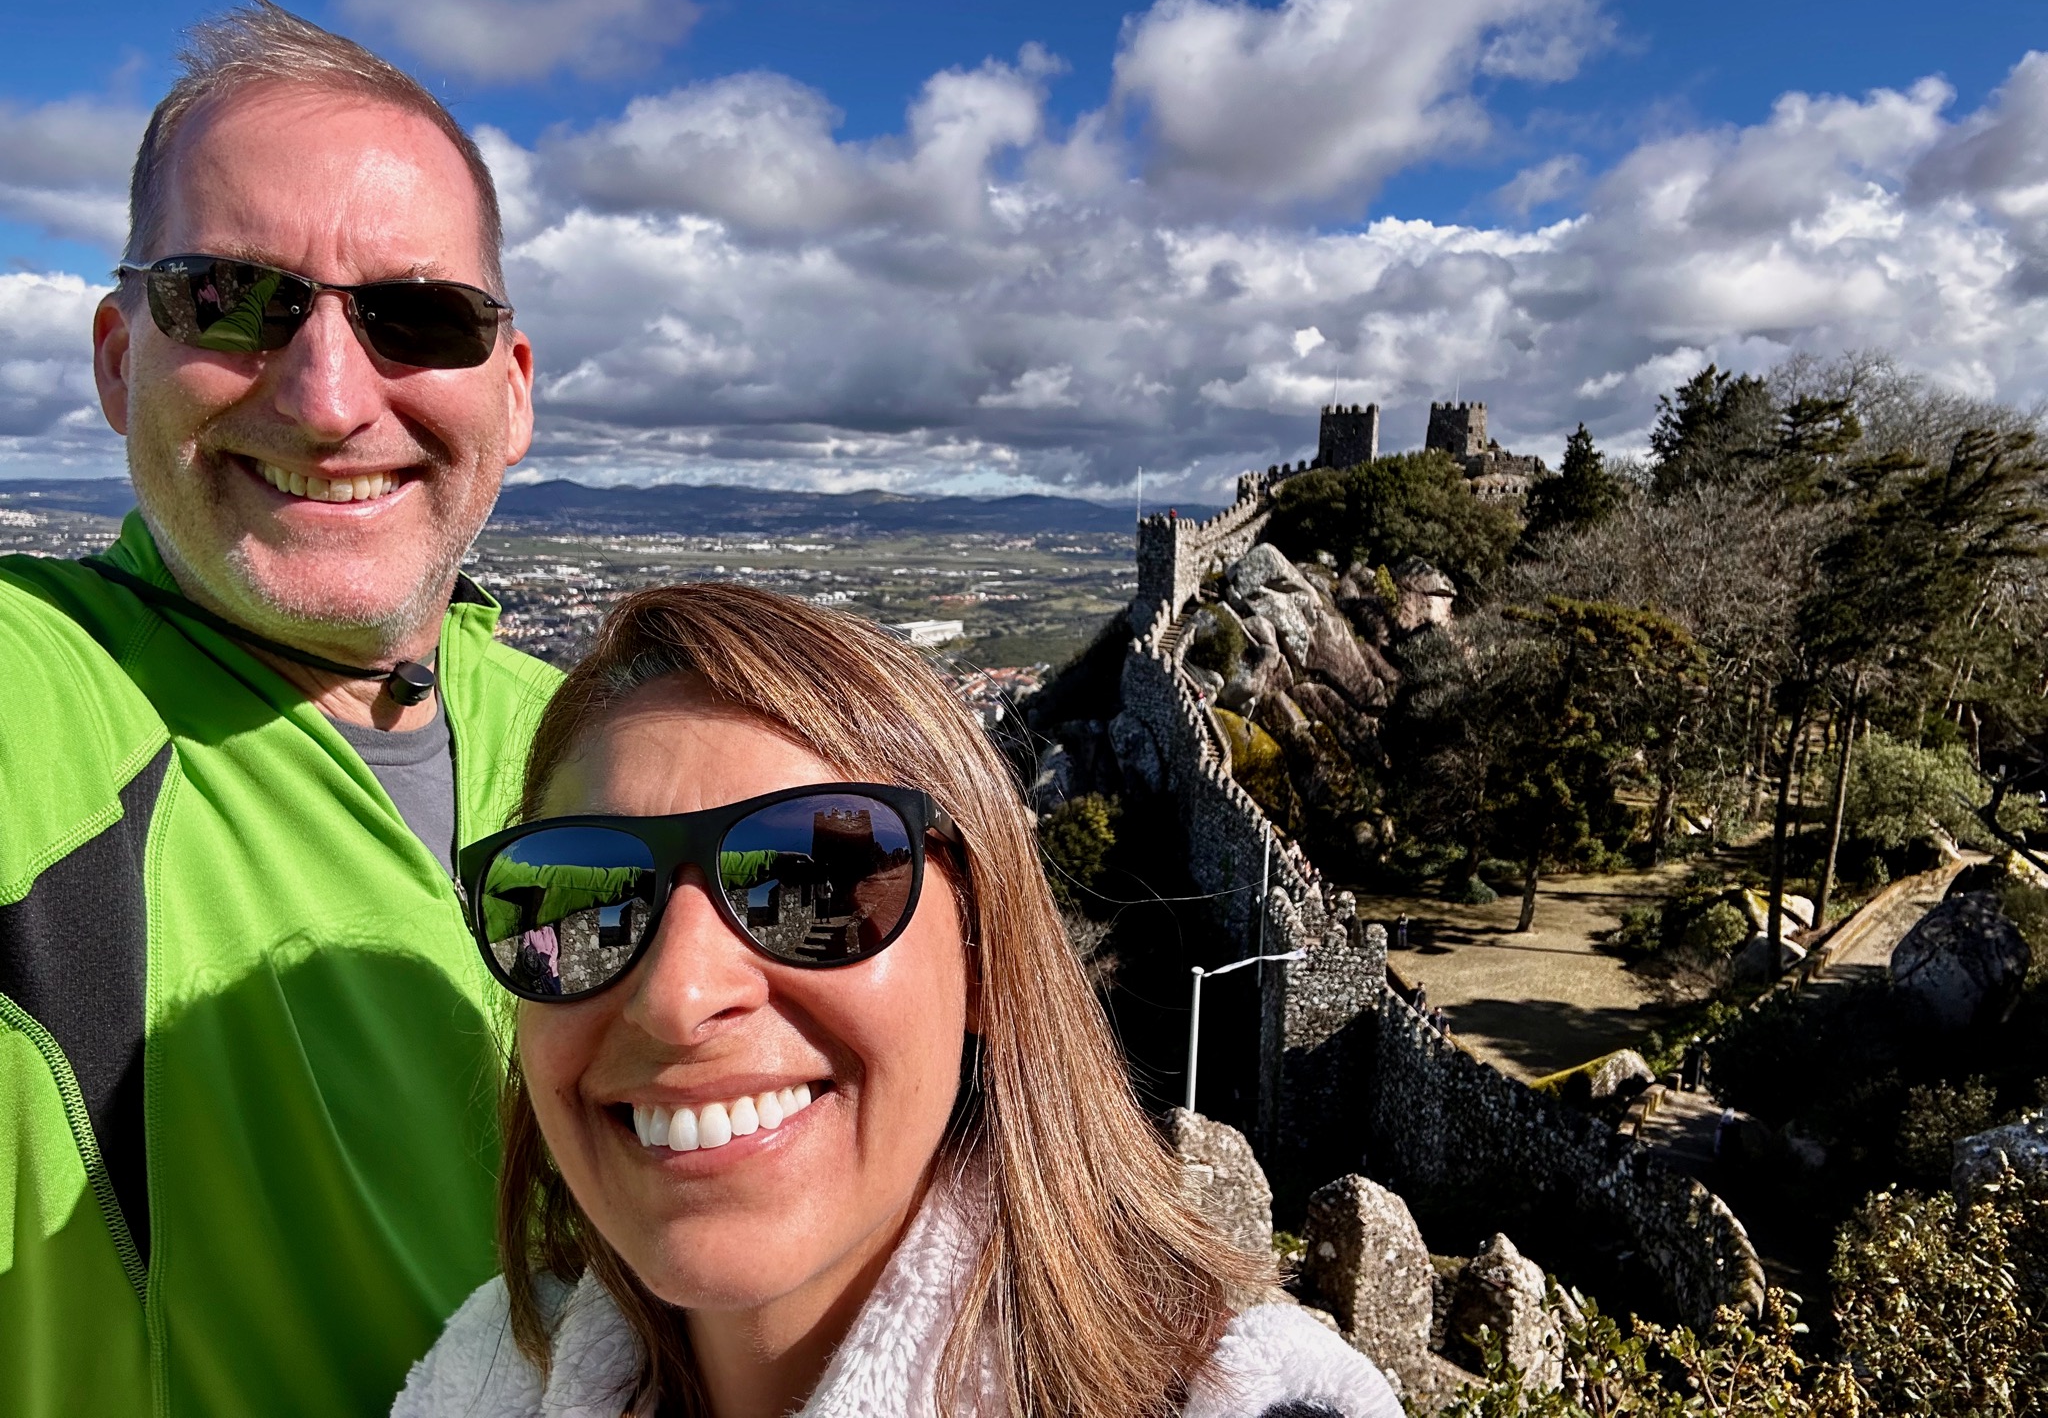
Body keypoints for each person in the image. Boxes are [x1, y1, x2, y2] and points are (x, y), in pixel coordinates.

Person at [395, 584, 1400, 1417]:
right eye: (581, 895)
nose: (675, 994)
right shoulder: (480, 1381)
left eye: (817, 883)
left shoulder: (1245, 1401)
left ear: (983, 958)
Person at [0, 0, 558, 1417]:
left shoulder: (594, 745)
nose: (325, 398)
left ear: (512, 391)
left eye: (417, 317)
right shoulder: (46, 707)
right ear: (120, 358)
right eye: (230, 300)